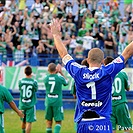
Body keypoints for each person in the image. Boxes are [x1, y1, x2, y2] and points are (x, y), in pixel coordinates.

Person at [49, 18, 133, 133]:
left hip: (84, 123)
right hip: (102, 122)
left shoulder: (78, 72)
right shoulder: (107, 71)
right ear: (103, 61)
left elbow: (64, 55)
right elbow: (127, 53)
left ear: (87, 60)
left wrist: (56, 36)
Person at [104, 56, 132, 133]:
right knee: (126, 126)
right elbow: (128, 88)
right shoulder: (123, 74)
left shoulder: (104, 74)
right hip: (121, 103)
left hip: (109, 105)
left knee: (111, 128)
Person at [44, 63, 68, 133]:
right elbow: (66, 82)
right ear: (56, 69)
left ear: (48, 70)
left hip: (48, 101)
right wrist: (61, 72)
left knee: (49, 121)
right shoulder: (59, 78)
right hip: (57, 102)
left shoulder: (46, 78)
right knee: (58, 121)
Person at [18, 66, 38, 133]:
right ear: (31, 73)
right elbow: (35, 90)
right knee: (29, 122)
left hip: (22, 104)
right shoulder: (34, 82)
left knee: (23, 120)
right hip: (30, 104)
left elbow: (20, 89)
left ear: (24, 72)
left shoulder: (20, 81)